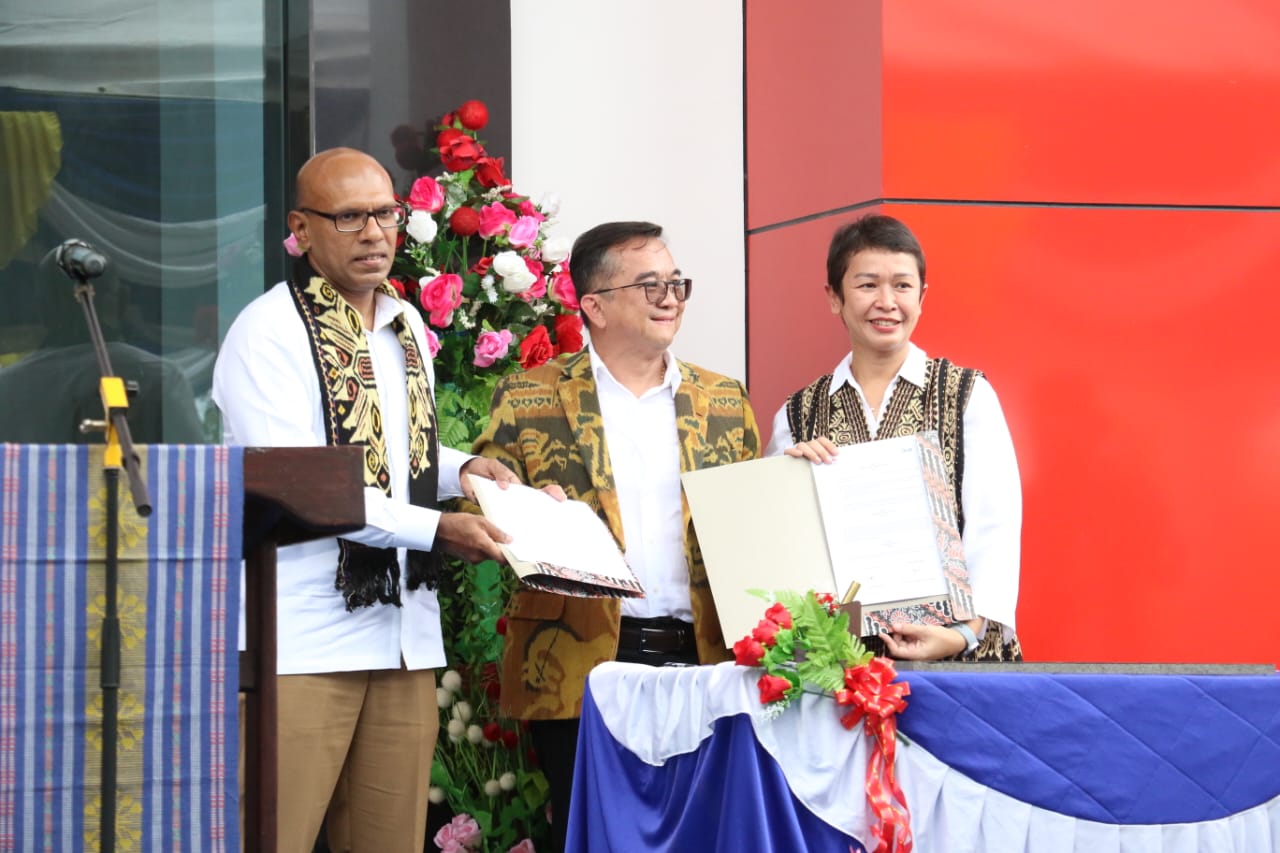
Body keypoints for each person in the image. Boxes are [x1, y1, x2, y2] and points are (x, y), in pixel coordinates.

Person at [211, 147, 519, 853]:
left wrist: (468, 470)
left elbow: (404, 454)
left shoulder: (404, 322)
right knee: (272, 839)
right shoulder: (268, 332)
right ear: (301, 229)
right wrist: (439, 529)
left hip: (403, 636)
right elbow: (305, 482)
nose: (375, 232)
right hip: (303, 640)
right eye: (349, 217)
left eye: (385, 213)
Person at [472, 221, 761, 851]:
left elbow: (750, 528)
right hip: (578, 666)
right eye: (649, 284)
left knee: (707, 834)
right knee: (589, 836)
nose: (670, 297)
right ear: (595, 306)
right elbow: (487, 502)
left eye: (676, 283)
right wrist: (524, 510)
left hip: (703, 660)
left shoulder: (723, 399)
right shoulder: (527, 396)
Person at [766, 214, 1023, 662]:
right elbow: (779, 548)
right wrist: (788, 481)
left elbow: (995, 527)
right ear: (834, 297)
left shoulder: (966, 395)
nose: (886, 302)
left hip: (957, 658)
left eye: (902, 286)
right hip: (839, 664)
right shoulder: (797, 414)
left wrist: (963, 634)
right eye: (867, 285)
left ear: (921, 298)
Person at [0, 248, 205, 444]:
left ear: (41, 309)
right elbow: (191, 465)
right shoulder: (161, 377)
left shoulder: (7, 387)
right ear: (121, 302)